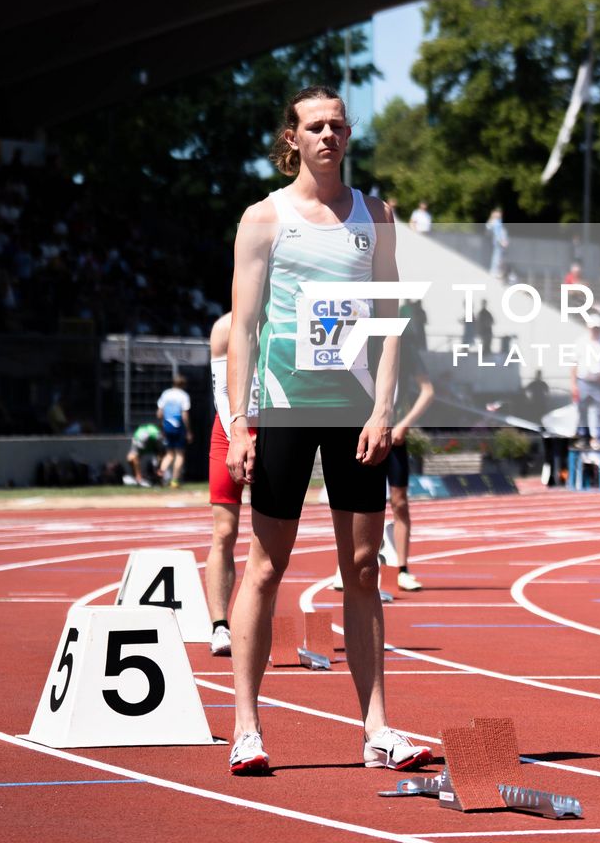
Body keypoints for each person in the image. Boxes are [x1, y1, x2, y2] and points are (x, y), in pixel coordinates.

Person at [224, 84, 432, 778]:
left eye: (338, 125)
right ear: (292, 139)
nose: (328, 136)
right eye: (315, 126)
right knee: (265, 566)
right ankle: (247, 728)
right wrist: (239, 424)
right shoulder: (263, 220)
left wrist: (382, 410)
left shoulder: (376, 217)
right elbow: (245, 333)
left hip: (354, 413)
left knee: (364, 569)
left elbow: (389, 320)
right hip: (284, 409)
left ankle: (375, 729)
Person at [204, 311, 257, 656]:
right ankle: (219, 626)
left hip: (273, 428)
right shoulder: (224, 327)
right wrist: (239, 438)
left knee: (268, 536)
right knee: (224, 531)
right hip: (230, 430)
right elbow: (222, 391)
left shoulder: (282, 319)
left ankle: (255, 622)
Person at [384, 326, 436, 592]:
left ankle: (402, 569)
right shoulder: (360, 340)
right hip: (361, 432)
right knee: (356, 503)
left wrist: (404, 424)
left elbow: (427, 391)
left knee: (399, 502)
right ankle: (345, 567)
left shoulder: (407, 350)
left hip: (395, 436)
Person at [571, 310, 600, 452]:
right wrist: (573, 384)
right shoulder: (581, 341)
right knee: (582, 409)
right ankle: (584, 437)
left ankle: (599, 438)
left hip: (599, 382)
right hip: (583, 381)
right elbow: (574, 363)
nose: (595, 330)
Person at [156, 372, 192, 488]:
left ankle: (160, 472)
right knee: (180, 454)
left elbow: (159, 413)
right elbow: (185, 415)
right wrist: (188, 431)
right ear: (183, 384)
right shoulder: (184, 395)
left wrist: (162, 427)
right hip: (178, 426)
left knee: (169, 453)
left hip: (167, 425)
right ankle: (174, 481)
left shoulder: (166, 393)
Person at [125, 418, 162, 487]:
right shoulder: (137, 436)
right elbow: (135, 456)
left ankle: (157, 477)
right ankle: (137, 478)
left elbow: (160, 452)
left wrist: (159, 467)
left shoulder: (156, 435)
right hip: (145, 444)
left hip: (153, 447)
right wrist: (138, 474)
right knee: (130, 458)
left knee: (156, 461)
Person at [485, 207, 508, 279]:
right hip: (498, 242)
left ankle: (496, 271)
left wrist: (504, 240)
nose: (500, 214)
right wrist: (501, 241)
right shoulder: (495, 221)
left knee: (499, 257)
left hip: (499, 241)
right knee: (496, 257)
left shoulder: (498, 221)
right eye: (498, 213)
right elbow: (496, 232)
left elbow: (501, 232)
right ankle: (493, 271)